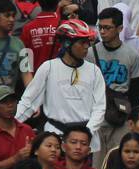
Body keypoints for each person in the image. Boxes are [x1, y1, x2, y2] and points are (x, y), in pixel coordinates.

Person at [16, 19, 108, 152]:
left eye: (88, 41)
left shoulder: (94, 71)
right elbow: (28, 102)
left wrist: (87, 133)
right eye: (82, 42)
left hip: (86, 142)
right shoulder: (49, 68)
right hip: (55, 139)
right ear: (67, 43)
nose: (87, 46)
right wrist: (11, 125)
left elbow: (100, 108)